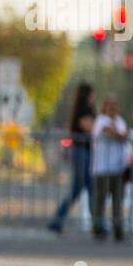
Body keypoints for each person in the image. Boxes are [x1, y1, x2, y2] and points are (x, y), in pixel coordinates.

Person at [48, 82, 95, 234]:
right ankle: (96, 222)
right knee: (81, 188)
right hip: (82, 151)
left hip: (82, 151)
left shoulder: (79, 109)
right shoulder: (84, 109)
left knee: (84, 188)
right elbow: (87, 127)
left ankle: (96, 221)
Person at [90, 95, 129, 241]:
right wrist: (121, 134)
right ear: (105, 107)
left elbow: (124, 134)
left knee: (117, 200)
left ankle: (118, 229)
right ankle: (98, 228)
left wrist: (121, 134)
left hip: (118, 168)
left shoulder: (120, 121)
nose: (113, 108)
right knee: (101, 200)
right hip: (102, 168)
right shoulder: (101, 121)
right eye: (110, 105)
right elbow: (113, 133)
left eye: (116, 105)